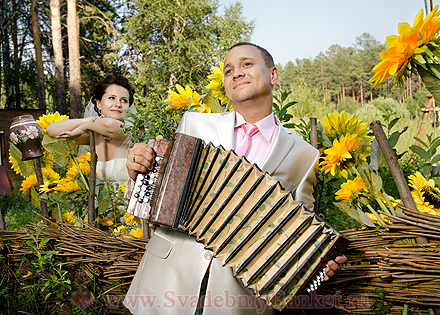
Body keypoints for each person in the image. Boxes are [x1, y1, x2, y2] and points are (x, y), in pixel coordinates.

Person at [123, 43, 347, 315]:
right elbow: (159, 194)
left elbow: (303, 233)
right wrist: (140, 167)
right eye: (228, 70)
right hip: (167, 282)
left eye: (247, 64)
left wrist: (319, 265)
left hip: (239, 300)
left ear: (273, 75)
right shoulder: (194, 124)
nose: (236, 73)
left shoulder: (304, 154)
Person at [46, 74, 134, 184]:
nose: (118, 104)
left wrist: (86, 126)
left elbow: (109, 124)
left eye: (124, 100)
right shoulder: (94, 134)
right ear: (98, 104)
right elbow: (51, 130)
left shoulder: (132, 131)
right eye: (112, 98)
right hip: (105, 200)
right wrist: (89, 120)